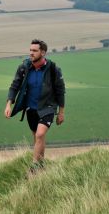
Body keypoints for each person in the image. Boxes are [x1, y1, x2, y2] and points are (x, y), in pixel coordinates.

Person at [4, 39, 65, 174]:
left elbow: (60, 90)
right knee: (38, 138)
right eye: (30, 50)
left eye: (34, 51)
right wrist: (9, 104)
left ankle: (33, 167)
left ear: (43, 52)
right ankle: (42, 167)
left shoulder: (53, 69)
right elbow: (15, 86)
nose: (31, 53)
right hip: (30, 109)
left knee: (40, 134)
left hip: (47, 107)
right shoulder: (24, 68)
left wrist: (61, 112)